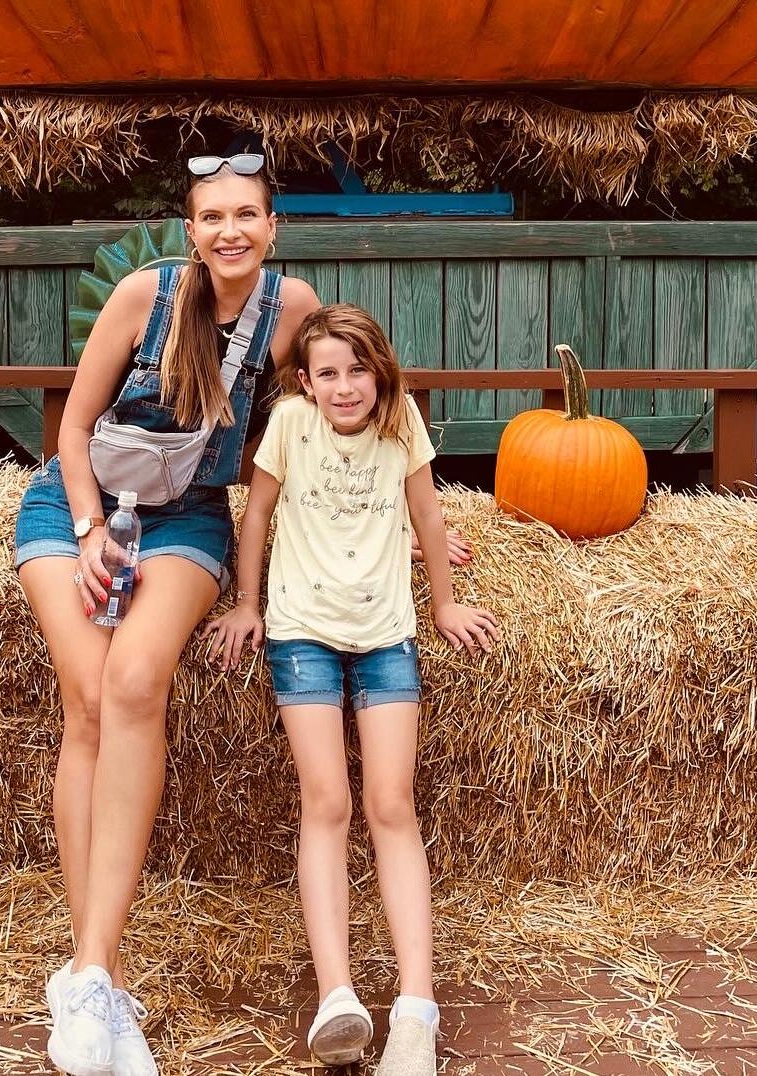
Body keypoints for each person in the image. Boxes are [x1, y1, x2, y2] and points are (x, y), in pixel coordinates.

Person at [14, 152, 324, 1076]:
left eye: (247, 215)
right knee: (88, 701)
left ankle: (86, 976)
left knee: (136, 680)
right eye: (212, 217)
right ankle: (98, 978)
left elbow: (336, 417)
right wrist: (87, 531)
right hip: (75, 507)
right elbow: (73, 430)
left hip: (189, 514)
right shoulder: (144, 297)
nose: (231, 231)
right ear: (191, 232)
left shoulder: (291, 310)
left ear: (272, 228)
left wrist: (407, 519)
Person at [204, 304, 499, 1075]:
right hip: (302, 634)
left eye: (358, 370)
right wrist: (247, 604)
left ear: (380, 371)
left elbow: (426, 513)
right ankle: (337, 996)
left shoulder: (402, 425)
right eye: (328, 373)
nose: (345, 387)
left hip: (385, 637)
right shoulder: (291, 425)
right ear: (306, 382)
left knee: (391, 803)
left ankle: (415, 1010)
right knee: (327, 800)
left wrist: (442, 603)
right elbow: (257, 515)